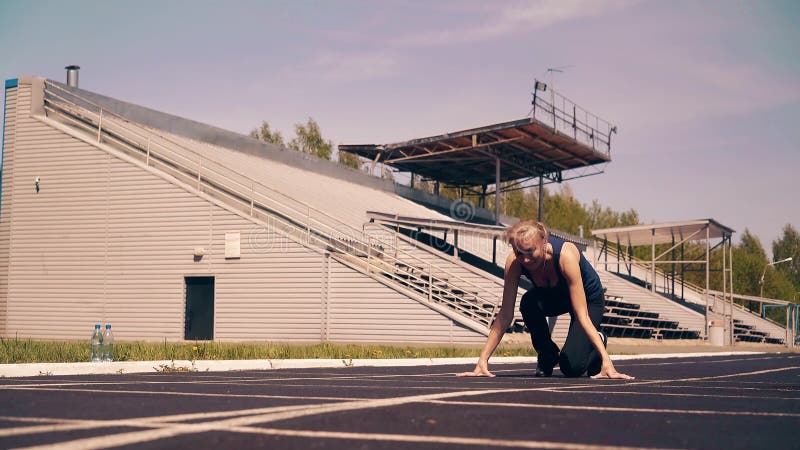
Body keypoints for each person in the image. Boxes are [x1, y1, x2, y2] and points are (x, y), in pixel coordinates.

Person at [458, 220, 633, 379]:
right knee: (528, 302)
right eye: (519, 253)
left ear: (544, 242)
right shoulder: (514, 263)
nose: (525, 259)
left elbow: (582, 315)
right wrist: (482, 360)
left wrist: (606, 360)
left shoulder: (566, 256)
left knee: (571, 367)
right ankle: (547, 354)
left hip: (588, 300)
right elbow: (505, 314)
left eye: (530, 251)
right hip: (556, 296)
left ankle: (599, 338)